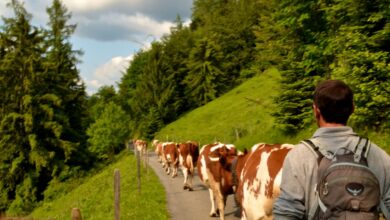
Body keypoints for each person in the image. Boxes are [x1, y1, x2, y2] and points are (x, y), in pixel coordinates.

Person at [273, 79, 390, 219]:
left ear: (315, 110)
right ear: (353, 108)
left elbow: (287, 213)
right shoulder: (376, 154)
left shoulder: (299, 156)